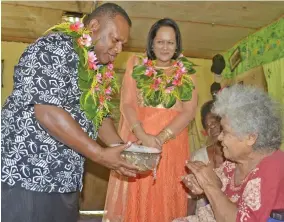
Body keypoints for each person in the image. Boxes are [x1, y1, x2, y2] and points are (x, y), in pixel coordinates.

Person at [1, 3, 139, 222]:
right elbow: (47, 110)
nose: (119, 49)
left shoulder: (98, 69)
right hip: (25, 175)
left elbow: (99, 115)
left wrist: (121, 151)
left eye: (123, 43)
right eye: (115, 39)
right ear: (94, 26)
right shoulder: (55, 47)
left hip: (67, 181)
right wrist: (100, 154)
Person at [103, 18, 198, 222]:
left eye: (170, 42)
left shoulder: (187, 72)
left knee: (166, 195)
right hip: (139, 143)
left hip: (171, 145)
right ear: (152, 43)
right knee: (138, 195)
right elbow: (127, 104)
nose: (165, 47)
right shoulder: (136, 65)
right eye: (160, 42)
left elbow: (188, 111)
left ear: (177, 44)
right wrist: (143, 136)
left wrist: (160, 139)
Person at [180, 85, 284, 222]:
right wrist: (200, 182)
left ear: (250, 138)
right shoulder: (236, 161)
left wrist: (209, 186)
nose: (219, 137)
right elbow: (220, 182)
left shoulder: (274, 166)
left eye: (226, 132)